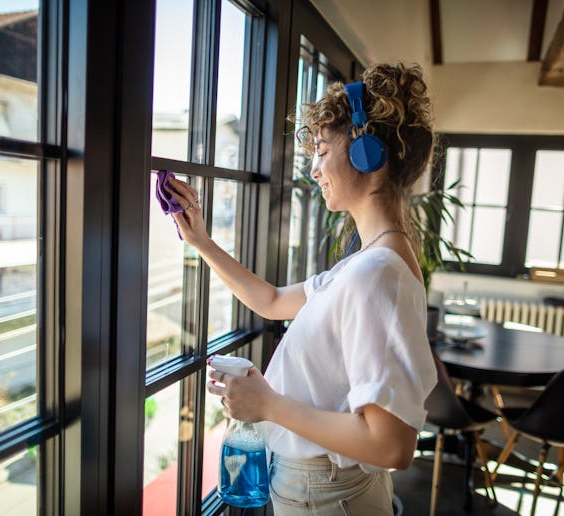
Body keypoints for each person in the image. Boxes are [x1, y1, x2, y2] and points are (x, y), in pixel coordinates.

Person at [165, 62, 437, 515]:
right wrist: (201, 241)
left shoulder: (377, 274)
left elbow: (391, 446)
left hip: (328, 496)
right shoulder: (367, 263)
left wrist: (267, 404)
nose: (313, 169)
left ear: (366, 154)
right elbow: (270, 301)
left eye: (322, 150)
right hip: (325, 489)